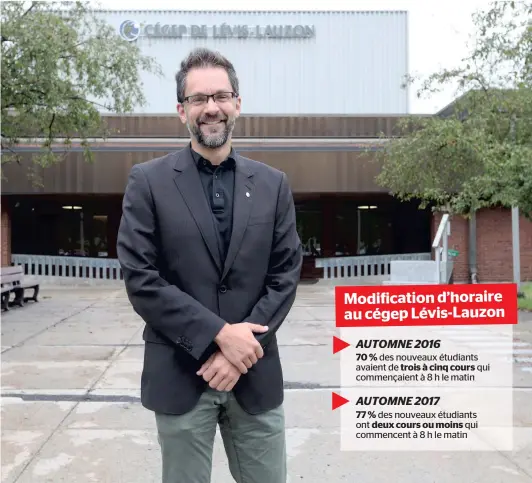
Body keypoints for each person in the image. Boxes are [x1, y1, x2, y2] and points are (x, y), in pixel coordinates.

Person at [116, 47, 303, 483]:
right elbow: (142, 280)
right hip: (181, 375)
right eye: (199, 99)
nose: (211, 107)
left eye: (221, 96)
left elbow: (285, 275)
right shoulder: (148, 182)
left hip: (254, 377)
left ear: (238, 102)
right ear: (182, 110)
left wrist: (239, 354)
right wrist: (219, 336)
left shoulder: (273, 185)